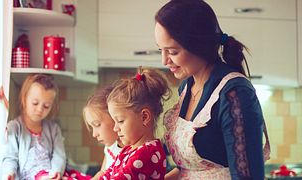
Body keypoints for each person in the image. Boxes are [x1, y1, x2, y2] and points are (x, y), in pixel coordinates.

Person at [154, 0, 270, 179]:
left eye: (173, 52)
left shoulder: (235, 93)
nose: (164, 61)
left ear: (198, 44)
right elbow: (188, 169)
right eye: (161, 50)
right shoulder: (186, 87)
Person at [99, 67, 171, 180]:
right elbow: (107, 175)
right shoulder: (130, 149)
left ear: (144, 117)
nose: (115, 128)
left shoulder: (146, 154)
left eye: (120, 121)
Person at [2, 74, 66, 180]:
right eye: (35, 103)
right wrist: (9, 172)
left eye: (46, 106)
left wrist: (56, 172)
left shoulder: (54, 129)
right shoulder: (14, 127)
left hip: (49, 175)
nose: (40, 109)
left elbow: (59, 155)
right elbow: (10, 157)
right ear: (24, 99)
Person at [83, 85, 123, 179]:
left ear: (115, 118)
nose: (94, 134)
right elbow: (102, 172)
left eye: (97, 125)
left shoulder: (130, 152)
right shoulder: (110, 147)